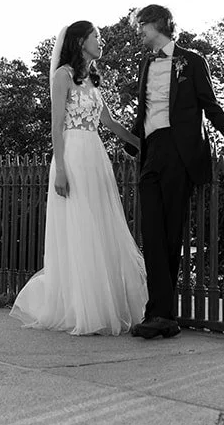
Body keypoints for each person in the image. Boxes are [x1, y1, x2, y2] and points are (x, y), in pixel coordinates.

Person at [10, 21, 146, 336]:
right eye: (96, 36)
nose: (101, 41)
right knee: (79, 226)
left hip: (95, 157)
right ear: (81, 41)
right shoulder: (63, 76)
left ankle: (102, 303)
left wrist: (142, 144)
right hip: (71, 156)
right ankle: (81, 308)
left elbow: (109, 122)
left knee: (99, 224)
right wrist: (60, 169)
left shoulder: (93, 80)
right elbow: (56, 126)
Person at [129, 4, 224, 340]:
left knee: (170, 235)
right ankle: (160, 313)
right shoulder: (146, 64)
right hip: (151, 152)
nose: (138, 31)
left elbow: (210, 105)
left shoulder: (192, 61)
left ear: (157, 24)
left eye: (141, 25)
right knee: (152, 233)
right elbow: (144, 111)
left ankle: (161, 315)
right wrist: (129, 144)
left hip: (179, 152)